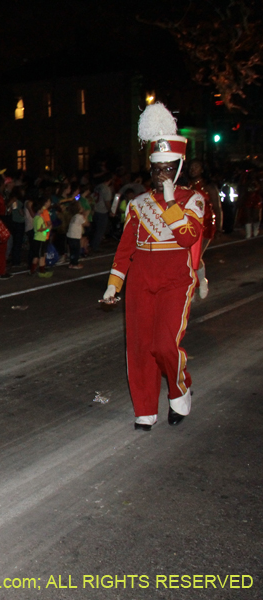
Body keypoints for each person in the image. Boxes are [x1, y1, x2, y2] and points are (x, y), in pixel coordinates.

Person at [102, 103, 204, 431]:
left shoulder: (192, 200)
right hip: (142, 278)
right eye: (157, 168)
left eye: (167, 168)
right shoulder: (138, 204)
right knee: (139, 345)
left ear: (178, 168)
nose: (160, 174)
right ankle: (145, 408)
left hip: (175, 278)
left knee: (164, 344)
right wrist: (113, 285)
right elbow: (124, 251)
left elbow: (187, 237)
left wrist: (172, 200)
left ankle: (179, 387)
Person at [187, 159, 222, 299]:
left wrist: (219, 227)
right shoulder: (186, 186)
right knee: (187, 258)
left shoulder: (209, 187)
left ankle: (201, 281)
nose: (193, 170)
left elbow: (218, 208)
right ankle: (193, 285)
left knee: (195, 257)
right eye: (191, 167)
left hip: (206, 225)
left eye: (197, 167)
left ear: (202, 169)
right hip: (189, 226)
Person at [66, 204, 88, 269]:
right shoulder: (79, 216)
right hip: (75, 236)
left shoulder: (74, 216)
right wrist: (86, 215)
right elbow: (86, 223)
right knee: (76, 250)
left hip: (70, 235)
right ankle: (75, 264)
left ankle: (71, 263)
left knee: (72, 250)